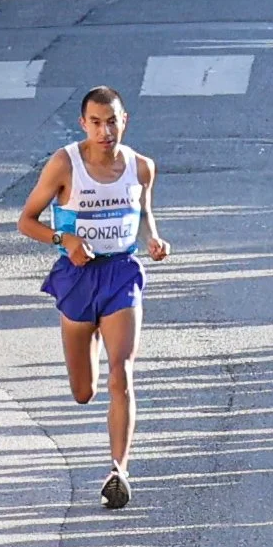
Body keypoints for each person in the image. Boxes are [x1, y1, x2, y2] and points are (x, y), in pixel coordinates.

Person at [16, 87, 171, 510]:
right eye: (97, 123)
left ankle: (119, 469)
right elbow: (25, 220)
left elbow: (143, 213)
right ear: (84, 124)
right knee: (84, 391)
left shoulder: (141, 167)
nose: (106, 131)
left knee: (122, 374)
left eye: (113, 122)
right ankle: (92, 346)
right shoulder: (64, 164)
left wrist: (153, 239)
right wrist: (62, 239)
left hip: (121, 272)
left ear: (125, 121)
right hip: (78, 275)